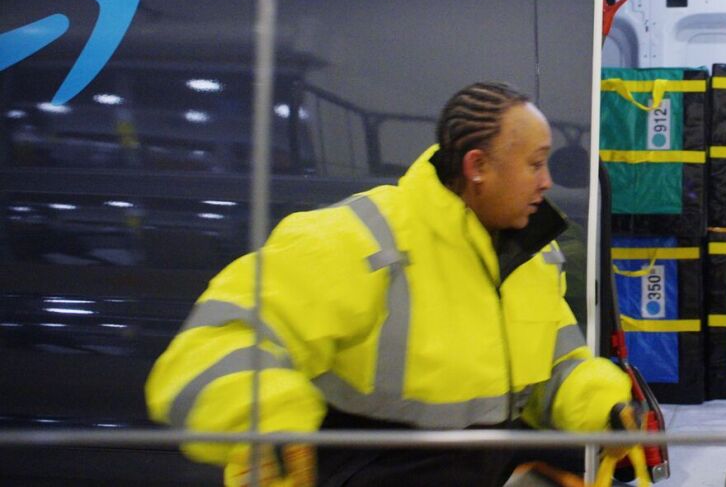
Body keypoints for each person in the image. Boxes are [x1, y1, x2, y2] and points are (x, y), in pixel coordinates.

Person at [145, 81, 635, 486]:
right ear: (477, 167)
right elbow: (214, 346)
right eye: (535, 163)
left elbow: (556, 363)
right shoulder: (357, 239)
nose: (548, 181)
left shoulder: (534, 255)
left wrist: (599, 403)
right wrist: (265, 413)